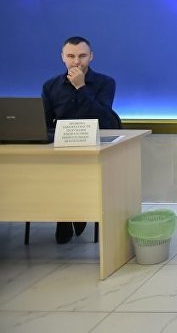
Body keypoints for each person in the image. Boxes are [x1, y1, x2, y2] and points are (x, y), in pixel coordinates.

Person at [42, 36, 121, 244]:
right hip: (62, 150)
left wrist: (81, 87)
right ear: (62, 58)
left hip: (96, 147)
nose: (76, 62)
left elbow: (103, 117)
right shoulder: (50, 86)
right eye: (71, 56)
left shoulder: (106, 83)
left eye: (82, 56)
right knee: (55, 171)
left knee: (80, 171)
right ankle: (65, 216)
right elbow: (45, 123)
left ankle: (78, 212)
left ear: (91, 57)